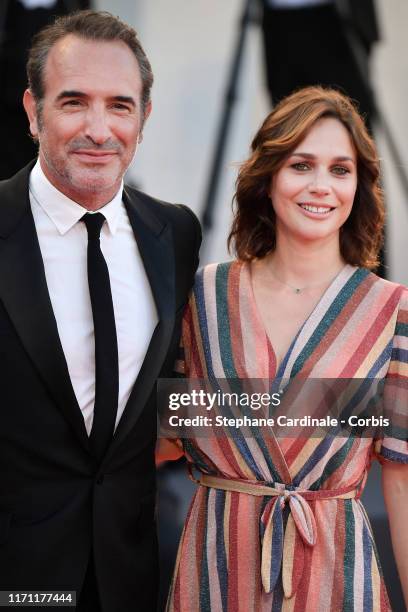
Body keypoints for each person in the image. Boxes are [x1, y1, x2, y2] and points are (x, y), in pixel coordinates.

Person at [159, 87, 408, 611]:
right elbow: (166, 439)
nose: (321, 186)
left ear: (359, 186)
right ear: (268, 178)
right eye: (301, 164)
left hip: (338, 574)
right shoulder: (204, 296)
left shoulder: (393, 312)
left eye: (341, 170)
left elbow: (402, 480)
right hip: (216, 568)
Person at [0, 10, 200, 612]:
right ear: (33, 112)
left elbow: (173, 401)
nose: (99, 129)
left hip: (132, 575)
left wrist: (349, 410)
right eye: (73, 103)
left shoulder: (175, 233)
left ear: (144, 117)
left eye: (119, 105)